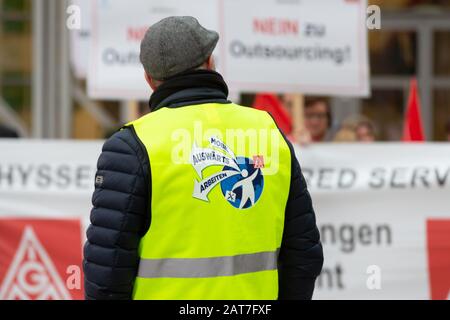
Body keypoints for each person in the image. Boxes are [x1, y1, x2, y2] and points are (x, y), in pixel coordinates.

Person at [83, 16, 323, 300]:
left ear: (149, 80)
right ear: (210, 62)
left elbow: (107, 273)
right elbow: (304, 254)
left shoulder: (132, 144)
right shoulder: (268, 131)